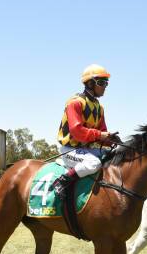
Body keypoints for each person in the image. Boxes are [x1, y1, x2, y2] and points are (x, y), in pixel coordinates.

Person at [51, 64, 119, 200]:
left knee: (115, 155)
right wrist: (100, 135)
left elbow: (102, 133)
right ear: (89, 83)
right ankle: (62, 181)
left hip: (85, 150)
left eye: (106, 83)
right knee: (94, 164)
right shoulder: (75, 102)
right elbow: (77, 131)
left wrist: (111, 140)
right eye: (101, 82)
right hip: (69, 149)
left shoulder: (99, 108)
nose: (105, 86)